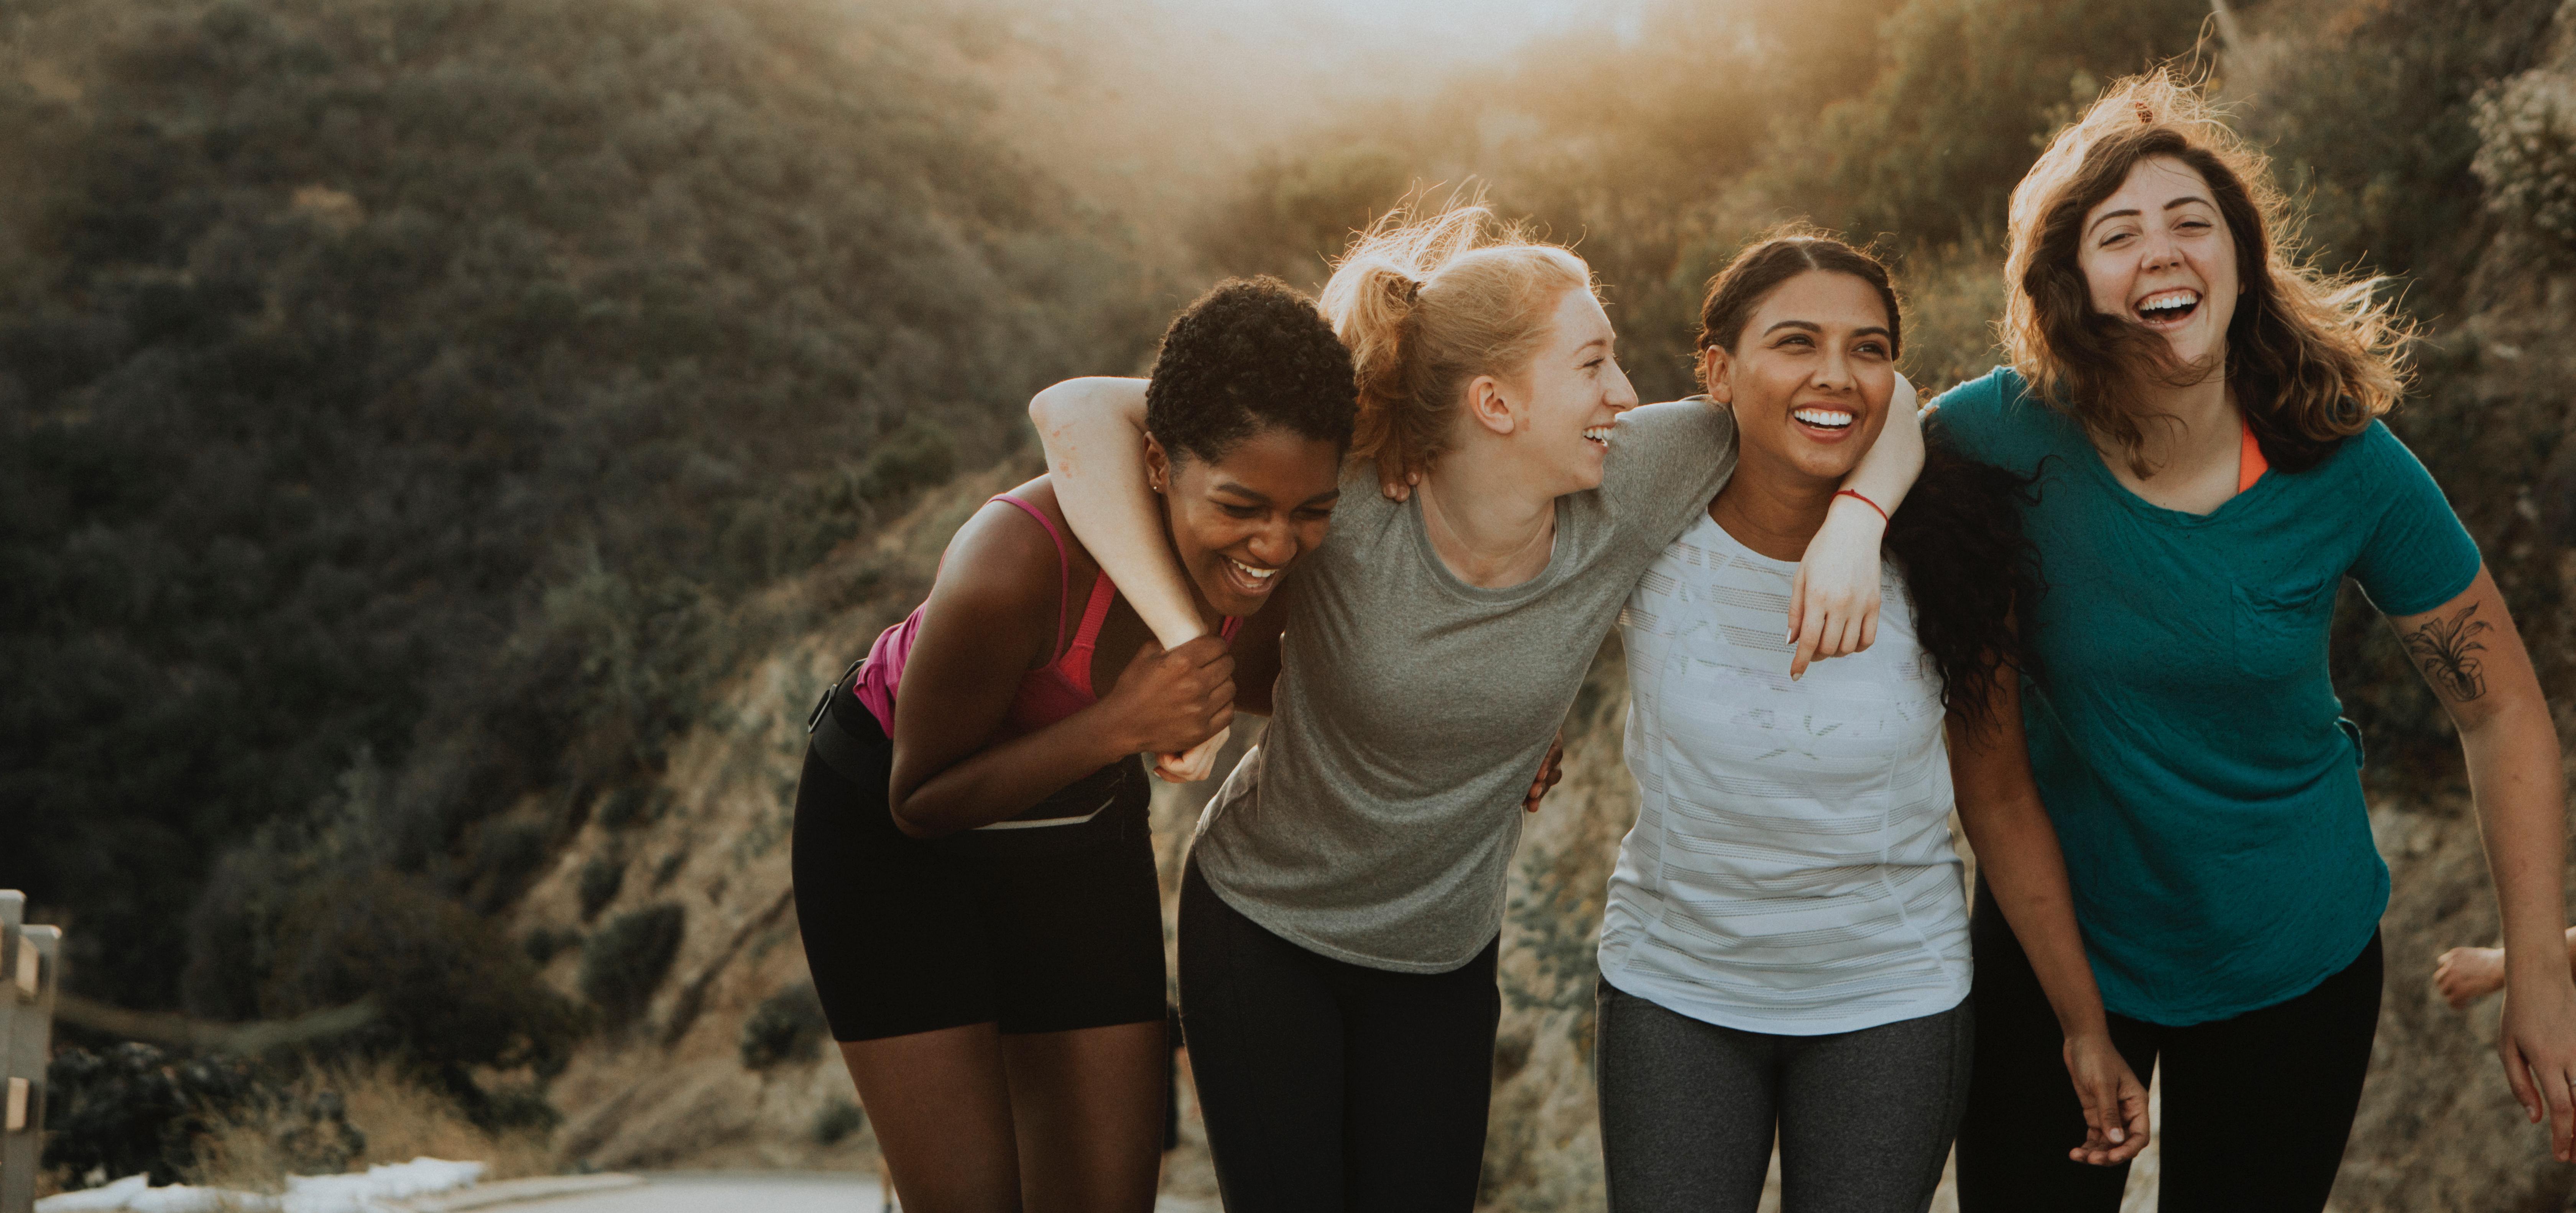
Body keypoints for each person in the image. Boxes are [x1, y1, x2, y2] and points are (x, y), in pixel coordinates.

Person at [1027, 202, 1922, 1213]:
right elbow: (1076, 412)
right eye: (1592, 366)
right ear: (1496, 403)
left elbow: (1873, 397)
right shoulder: (1354, 489)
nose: (1625, 394)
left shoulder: (1635, 476)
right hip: (1266, 926)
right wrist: (1189, 645)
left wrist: (1855, 525)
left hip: (1443, 957)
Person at [1937, 72, 2576, 1212]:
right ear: (2070, 280)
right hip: (2060, 945)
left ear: (2241, 257)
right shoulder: (1998, 436)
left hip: (2294, 951)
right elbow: (1858, 426)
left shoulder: (2344, 458)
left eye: (2194, 222)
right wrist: (1845, 529)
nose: (2164, 251)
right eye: (2118, 233)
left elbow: (2502, 706)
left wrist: (2538, 970)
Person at [1593, 232, 2148, 1213]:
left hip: (1890, 1000)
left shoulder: (1952, 554)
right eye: (1796, 342)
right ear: (1719, 371)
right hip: (1674, 987)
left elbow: (2003, 796)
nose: (1836, 377)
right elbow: (1520, 591)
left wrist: (2083, 1021)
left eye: (1870, 348)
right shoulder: (1647, 513)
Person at [789, 277, 1355, 1213]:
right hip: (891, 842)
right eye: (1244, 504)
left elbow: (1315, 687)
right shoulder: (1013, 561)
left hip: (1076, 832)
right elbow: (918, 799)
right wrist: (1121, 725)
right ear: (1160, 464)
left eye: (1311, 511)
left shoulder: (1274, 566)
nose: (1277, 542)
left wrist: (1506, 738)